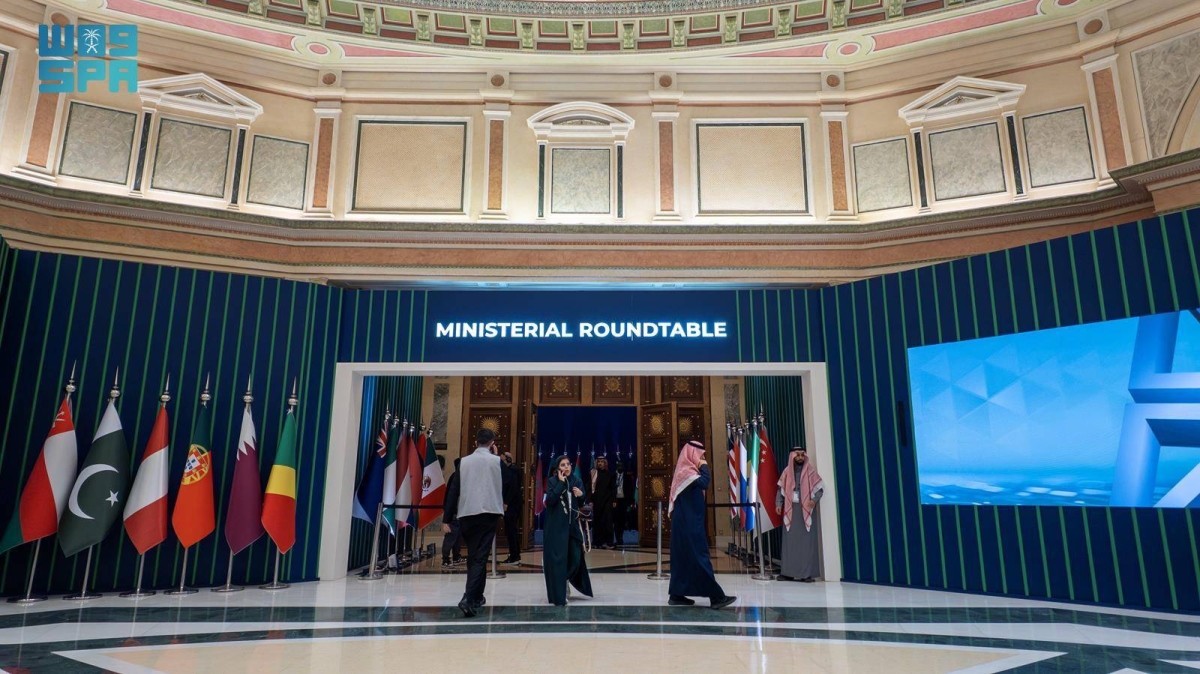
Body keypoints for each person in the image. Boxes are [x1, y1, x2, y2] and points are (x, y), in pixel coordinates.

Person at [443, 428, 504, 617]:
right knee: (480, 557)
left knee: (474, 555)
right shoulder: (496, 461)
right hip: (488, 514)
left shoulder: (464, 462)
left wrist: (446, 518)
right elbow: (508, 482)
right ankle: (467, 598)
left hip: (467, 514)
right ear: (492, 444)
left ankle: (477, 596)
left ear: (476, 442)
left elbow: (453, 491)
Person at [667, 440, 736, 610]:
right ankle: (716, 597)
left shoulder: (687, 472)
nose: (703, 457)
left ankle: (676, 594)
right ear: (692, 454)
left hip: (686, 522)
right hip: (688, 523)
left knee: (683, 557)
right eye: (701, 455)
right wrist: (703, 465)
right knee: (700, 556)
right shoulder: (686, 472)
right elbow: (705, 482)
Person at [543, 455, 594, 606]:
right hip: (556, 527)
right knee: (559, 560)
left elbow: (580, 502)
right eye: (563, 465)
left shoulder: (577, 481)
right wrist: (560, 483)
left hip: (572, 526)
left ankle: (564, 578)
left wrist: (581, 495)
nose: (566, 467)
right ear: (558, 468)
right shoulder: (552, 481)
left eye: (568, 464)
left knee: (576, 557)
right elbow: (550, 501)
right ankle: (560, 590)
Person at [775, 446, 824, 582]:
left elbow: (820, 489)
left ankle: (806, 574)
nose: (800, 458)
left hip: (806, 511)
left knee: (806, 543)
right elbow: (780, 490)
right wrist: (778, 504)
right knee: (790, 543)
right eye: (798, 455)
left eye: (802, 455)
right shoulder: (786, 472)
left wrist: (814, 501)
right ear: (792, 457)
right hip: (791, 511)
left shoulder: (810, 471)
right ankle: (788, 572)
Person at [500, 452, 524, 565]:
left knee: (511, 530)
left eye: (502, 460)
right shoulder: (509, 470)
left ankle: (514, 556)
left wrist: (506, 502)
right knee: (510, 529)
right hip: (511, 504)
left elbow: (513, 488)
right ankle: (514, 554)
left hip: (512, 504)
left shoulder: (513, 470)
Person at [588, 457, 617, 549]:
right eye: (599, 462)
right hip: (596, 500)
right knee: (597, 521)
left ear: (605, 463)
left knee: (608, 521)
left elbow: (613, 488)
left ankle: (609, 542)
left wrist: (614, 500)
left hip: (608, 500)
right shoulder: (593, 474)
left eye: (602, 462)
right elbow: (589, 488)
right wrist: (590, 500)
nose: (600, 463)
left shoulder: (610, 474)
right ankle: (597, 542)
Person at [440, 457, 464, 568]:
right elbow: (452, 497)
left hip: (459, 512)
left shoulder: (457, 476)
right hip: (454, 512)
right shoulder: (456, 477)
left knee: (458, 536)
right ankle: (445, 558)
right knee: (451, 536)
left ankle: (456, 556)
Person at [613, 461, 635, 546]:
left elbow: (631, 490)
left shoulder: (628, 477)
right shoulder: (613, 476)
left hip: (624, 501)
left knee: (622, 520)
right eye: (618, 465)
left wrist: (631, 502)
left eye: (621, 465)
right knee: (616, 521)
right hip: (615, 501)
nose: (620, 467)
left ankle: (620, 538)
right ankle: (617, 538)